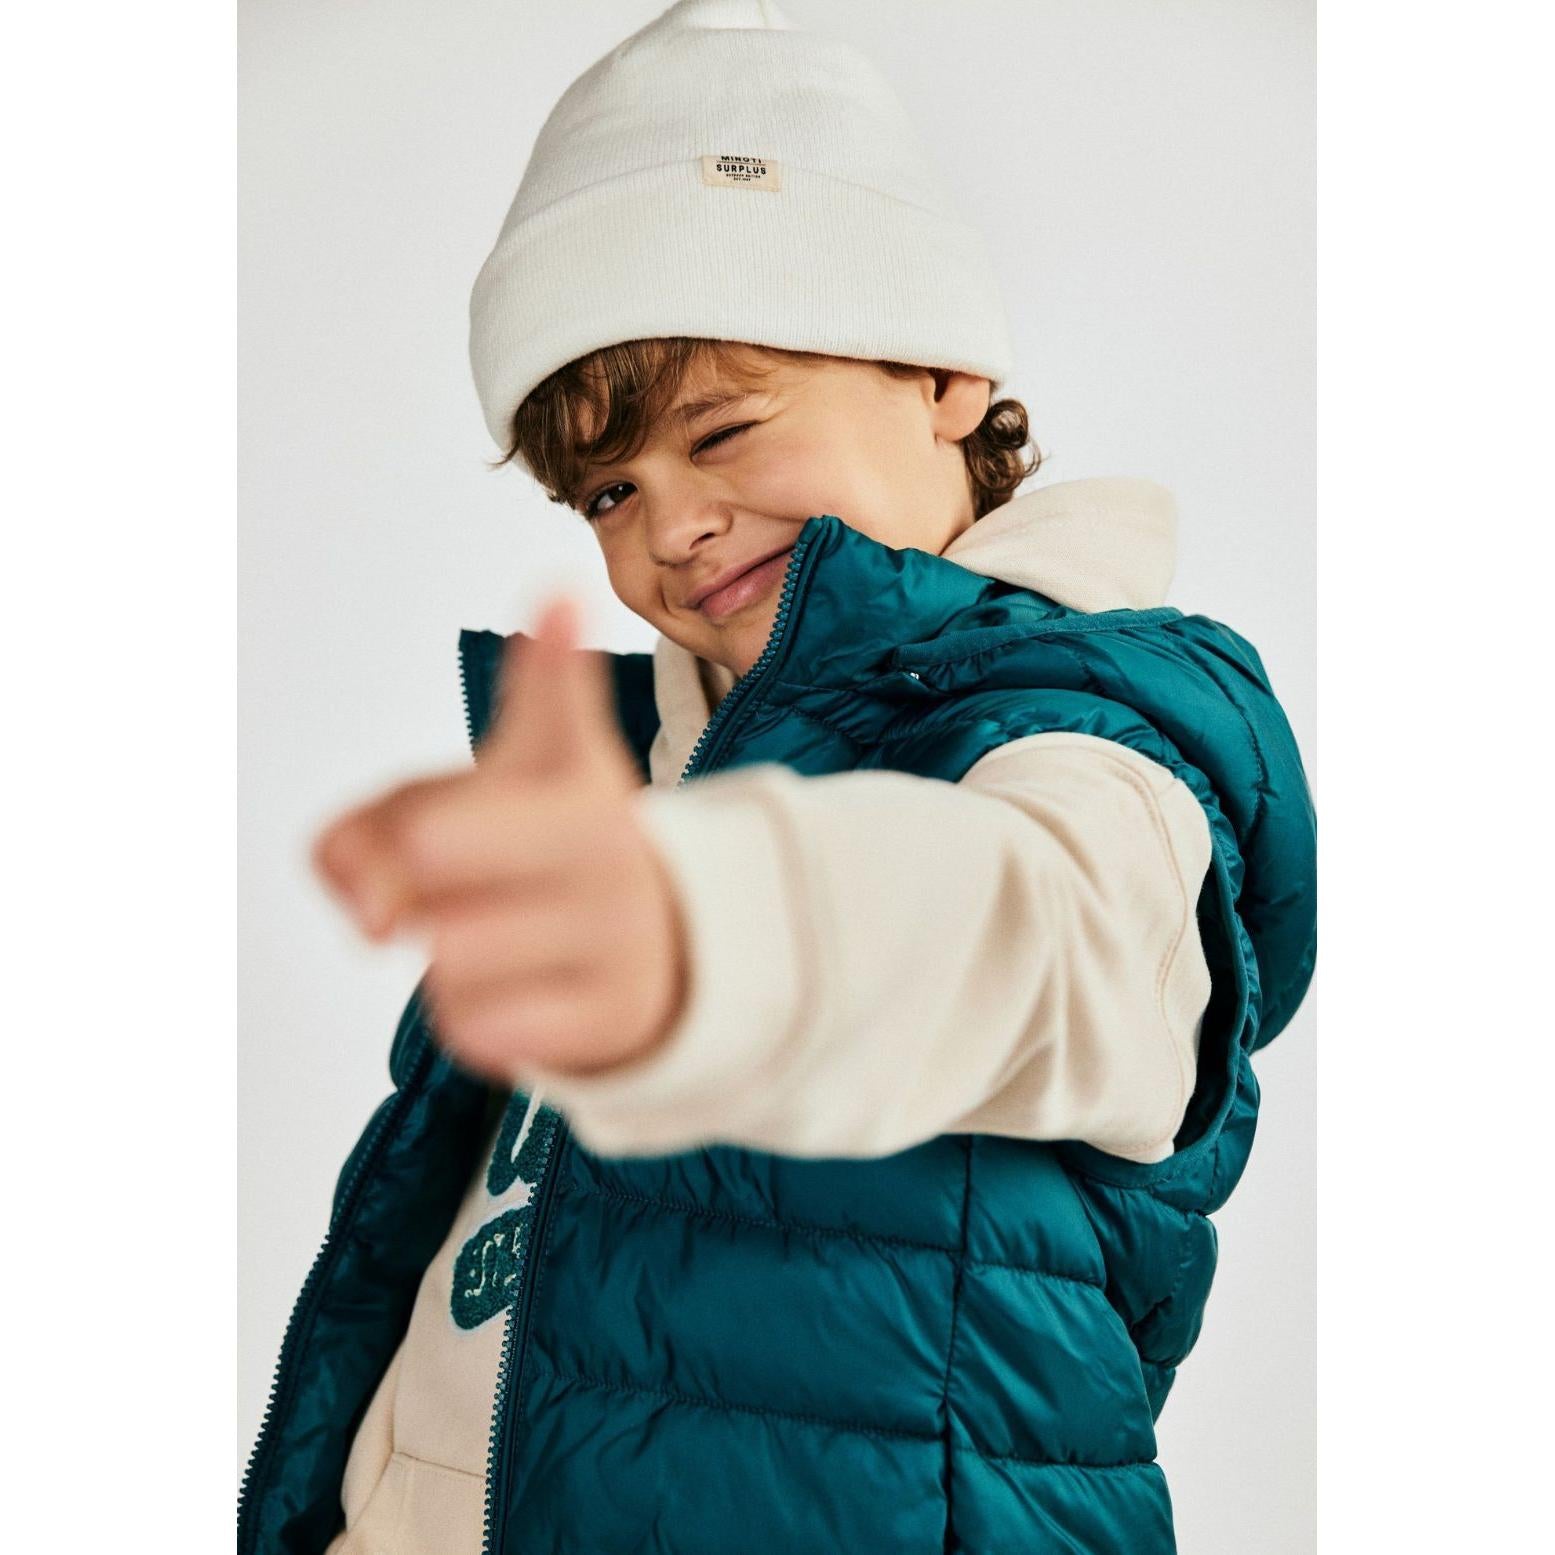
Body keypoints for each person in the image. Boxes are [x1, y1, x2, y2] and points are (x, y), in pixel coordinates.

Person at [239, 3, 1317, 1552]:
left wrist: (700, 929)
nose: (669, 526)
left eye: (725, 429)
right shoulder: (640, 778)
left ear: (941, 374)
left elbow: (1034, 939)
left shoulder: (1096, 738)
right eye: (610, 489)